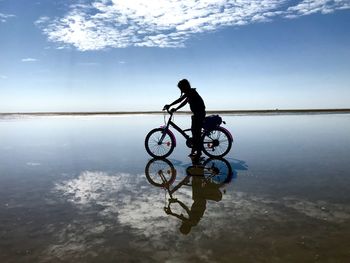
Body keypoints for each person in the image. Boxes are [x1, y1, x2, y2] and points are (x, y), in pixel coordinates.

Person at [164, 79, 206, 158]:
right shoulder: (190, 93)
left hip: (199, 114)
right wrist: (175, 108)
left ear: (185, 86)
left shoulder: (191, 92)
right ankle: (194, 149)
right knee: (194, 132)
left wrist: (170, 105)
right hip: (197, 114)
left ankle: (199, 152)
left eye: (181, 88)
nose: (181, 90)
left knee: (196, 133)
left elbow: (180, 100)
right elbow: (184, 102)